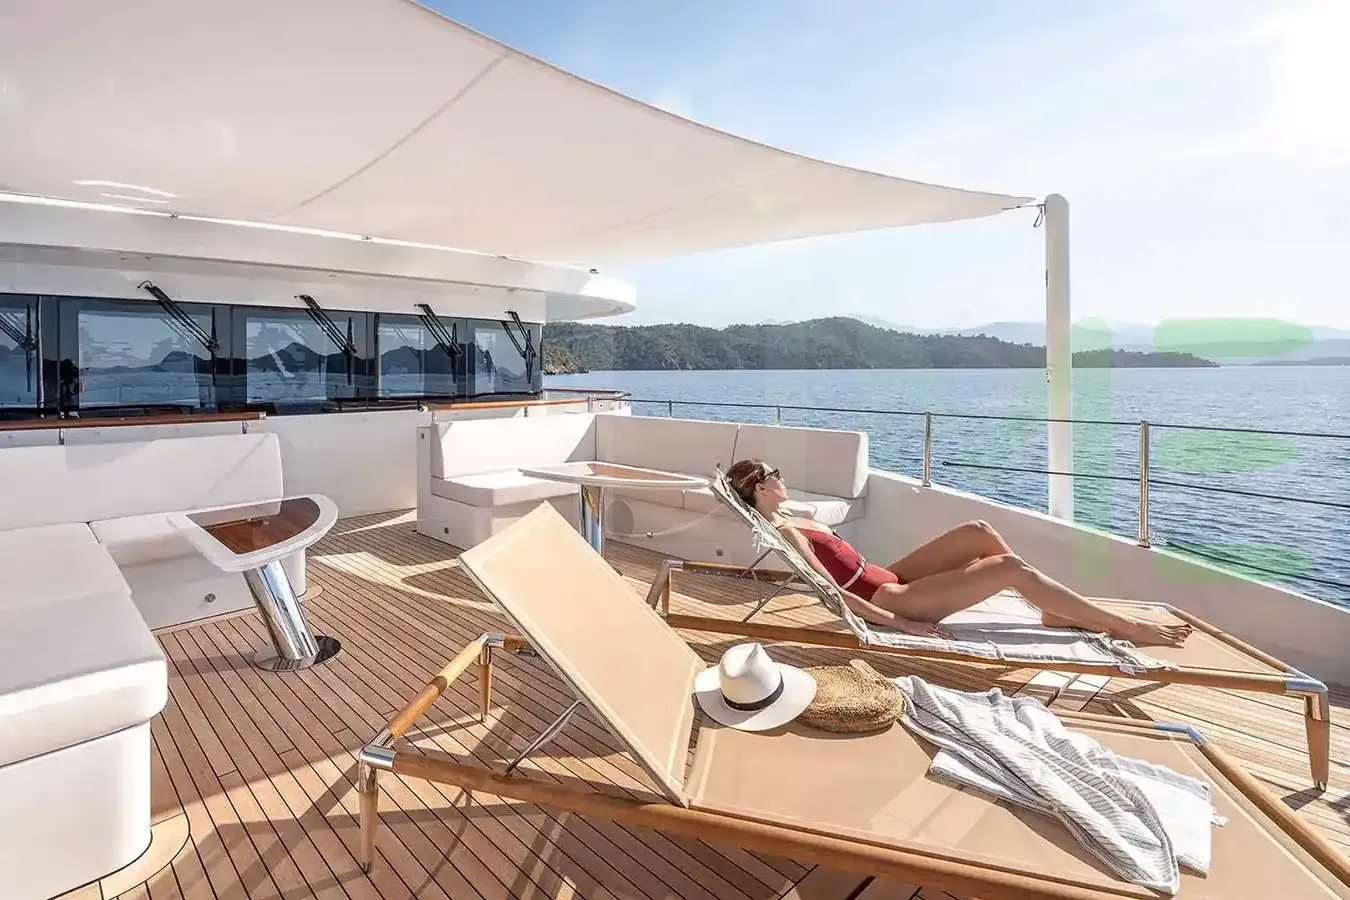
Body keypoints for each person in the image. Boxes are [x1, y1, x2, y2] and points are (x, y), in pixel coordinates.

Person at [724, 458, 1192, 646]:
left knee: (977, 531)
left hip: (885, 576)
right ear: (762, 488)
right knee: (1008, 566)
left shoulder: (792, 515)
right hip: (889, 600)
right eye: (775, 473)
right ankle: (1124, 626)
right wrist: (901, 623)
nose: (782, 477)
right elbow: (834, 593)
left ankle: (1048, 607)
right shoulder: (789, 533)